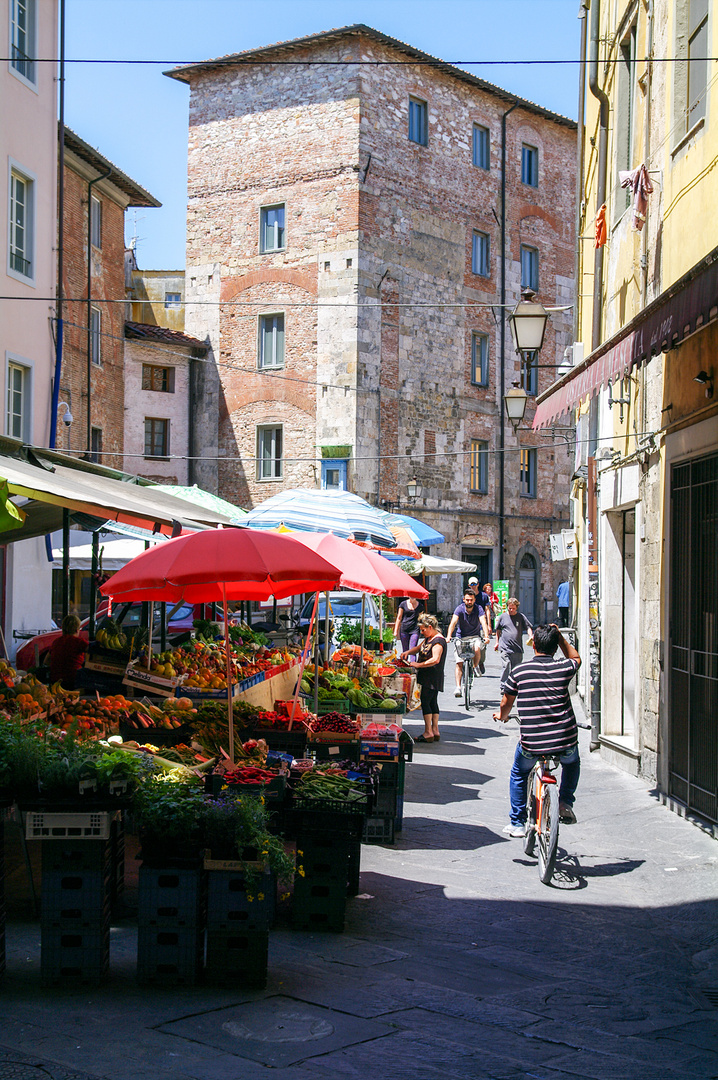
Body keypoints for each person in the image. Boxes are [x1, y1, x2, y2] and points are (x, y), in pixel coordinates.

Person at [493, 624, 581, 837]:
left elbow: (507, 704)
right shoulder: (563, 668)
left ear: (533, 646)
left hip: (532, 742)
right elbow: (576, 659)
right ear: (554, 648)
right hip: (564, 739)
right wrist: (559, 637)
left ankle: (517, 822)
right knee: (572, 762)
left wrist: (501, 716)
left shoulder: (520, 671)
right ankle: (565, 801)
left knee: (519, 772)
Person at [401, 613, 446, 742]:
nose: (422, 632)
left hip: (432, 676)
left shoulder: (438, 641)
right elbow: (419, 648)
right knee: (432, 702)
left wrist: (419, 664)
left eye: (423, 630)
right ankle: (435, 730)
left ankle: (428, 732)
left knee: (426, 701)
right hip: (427, 676)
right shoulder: (428, 639)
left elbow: (435, 659)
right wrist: (408, 652)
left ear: (430, 627)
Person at [446, 589, 490, 696]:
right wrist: (448, 636)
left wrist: (487, 636)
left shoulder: (478, 609)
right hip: (461, 638)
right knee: (459, 663)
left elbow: (483, 622)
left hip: (475, 637)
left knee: (476, 647)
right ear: (464, 599)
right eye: (467, 600)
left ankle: (475, 667)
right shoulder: (459, 609)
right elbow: (453, 622)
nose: (469, 602)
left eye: (471, 600)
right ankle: (458, 687)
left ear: (474, 600)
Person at [494, 597, 533, 697]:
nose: (511, 610)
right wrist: (497, 642)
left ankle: (515, 686)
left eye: (513, 608)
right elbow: (498, 630)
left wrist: (530, 636)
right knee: (506, 665)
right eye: (509, 608)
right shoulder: (503, 617)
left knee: (516, 669)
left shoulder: (520, 617)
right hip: (505, 647)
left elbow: (528, 627)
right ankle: (503, 686)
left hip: (517, 648)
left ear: (516, 608)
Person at [49, 614, 87, 690]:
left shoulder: (56, 642)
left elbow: (46, 661)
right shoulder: (79, 642)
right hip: (73, 681)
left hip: (55, 682)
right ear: (77, 629)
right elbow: (93, 651)